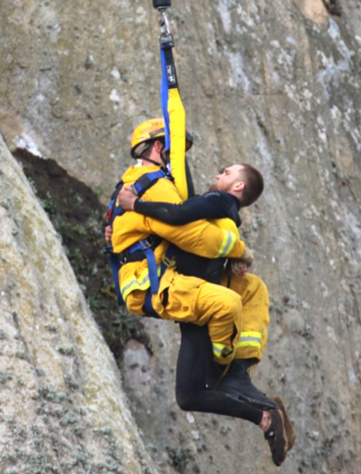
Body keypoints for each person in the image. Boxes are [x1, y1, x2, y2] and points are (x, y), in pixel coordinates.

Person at [107, 121, 294, 466]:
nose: (183, 162)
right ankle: (227, 371)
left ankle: (254, 404)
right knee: (230, 301)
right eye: (177, 150)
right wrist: (239, 250)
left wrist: (236, 251)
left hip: (179, 280)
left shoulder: (145, 185)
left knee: (190, 392)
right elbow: (193, 234)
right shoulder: (153, 187)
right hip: (158, 283)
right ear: (161, 149)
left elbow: (195, 233)